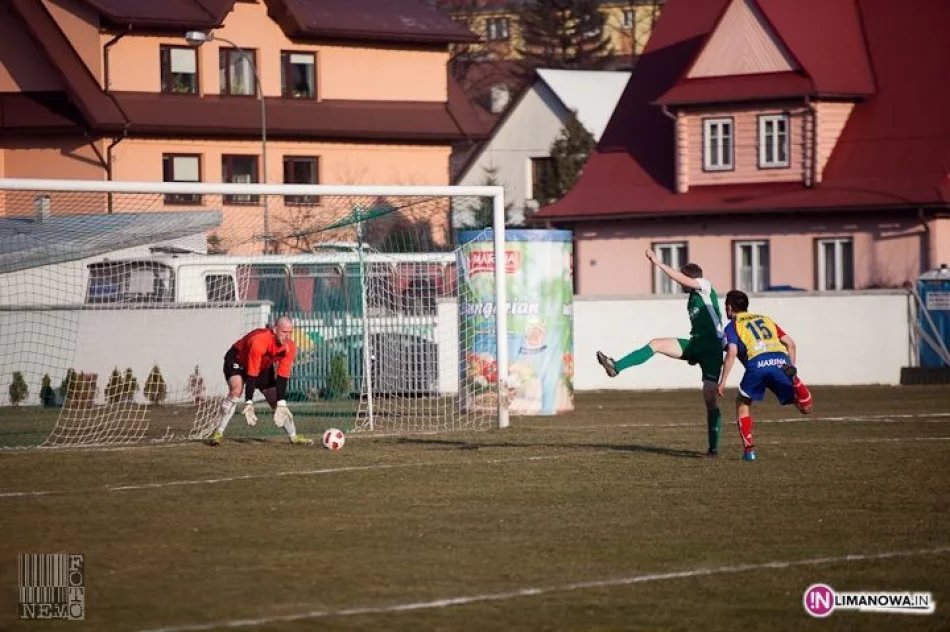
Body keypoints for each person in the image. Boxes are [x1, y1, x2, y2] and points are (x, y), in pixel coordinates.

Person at [596, 249, 726, 457]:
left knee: (709, 398)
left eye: (683, 279)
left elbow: (679, 277)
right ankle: (615, 367)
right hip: (696, 344)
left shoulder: (704, 286)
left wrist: (657, 262)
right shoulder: (692, 298)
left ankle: (713, 449)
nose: (680, 283)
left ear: (691, 278)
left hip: (712, 349)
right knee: (656, 344)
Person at [717, 290, 813, 461]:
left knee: (743, 403)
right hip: (781, 362)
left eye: (726, 305)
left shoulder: (733, 326)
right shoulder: (765, 319)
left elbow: (732, 351)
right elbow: (790, 343)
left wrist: (722, 381)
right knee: (804, 408)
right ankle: (795, 380)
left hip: (757, 364)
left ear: (730, 307)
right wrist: (790, 367)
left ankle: (749, 451)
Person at [207, 316, 313, 446]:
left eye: (290, 332)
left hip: (262, 366)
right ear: (274, 330)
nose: (287, 336)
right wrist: (249, 402)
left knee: (275, 399)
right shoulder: (260, 341)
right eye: (284, 332)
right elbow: (251, 374)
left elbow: (282, 377)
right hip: (238, 359)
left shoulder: (289, 347)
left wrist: (281, 403)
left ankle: (294, 436)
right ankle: (218, 432)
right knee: (236, 390)